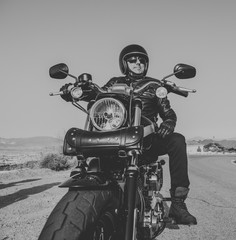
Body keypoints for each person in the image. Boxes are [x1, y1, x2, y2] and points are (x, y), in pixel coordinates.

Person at [61, 44, 197, 225]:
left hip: (146, 140)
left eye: (142, 60)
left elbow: (168, 113)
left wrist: (169, 123)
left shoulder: (155, 85)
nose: (138, 63)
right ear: (124, 63)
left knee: (177, 140)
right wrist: (76, 91)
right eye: (133, 60)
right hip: (116, 136)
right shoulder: (113, 83)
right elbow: (97, 95)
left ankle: (178, 204)